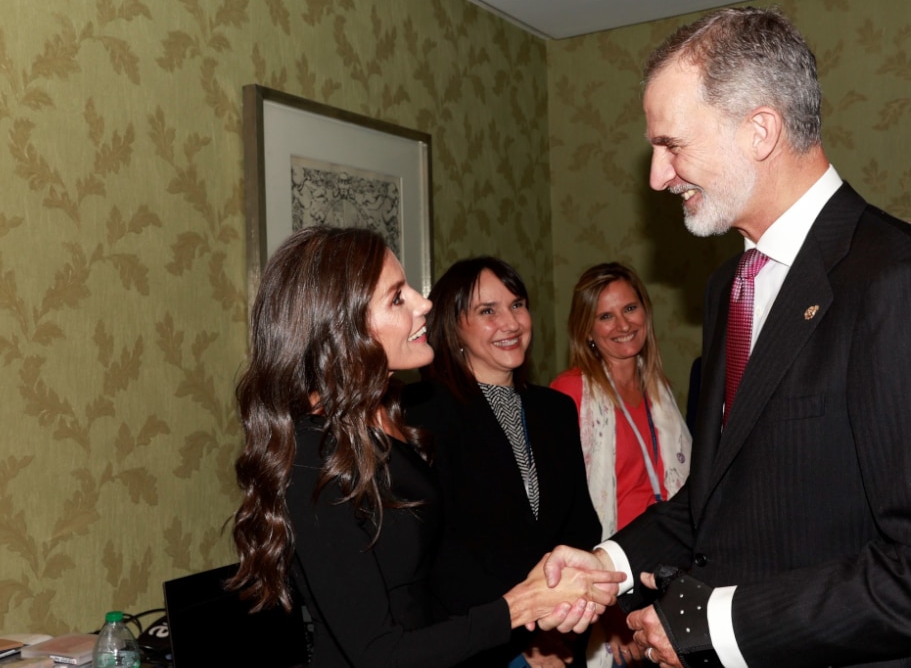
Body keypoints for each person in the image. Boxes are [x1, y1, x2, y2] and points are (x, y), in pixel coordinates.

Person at [542, 7, 911, 668]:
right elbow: (723, 494)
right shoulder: (728, 289)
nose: (657, 177)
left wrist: (716, 620)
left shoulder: (900, 283)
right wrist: (609, 562)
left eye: (672, 145)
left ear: (760, 131)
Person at [228, 228, 620, 668]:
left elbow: (420, 594)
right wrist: (517, 610)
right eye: (398, 298)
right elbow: (378, 652)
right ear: (343, 326)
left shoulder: (384, 420)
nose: (425, 303)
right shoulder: (312, 456)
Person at [403, 256, 604, 667]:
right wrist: (519, 636)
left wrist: (555, 625)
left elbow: (580, 525)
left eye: (517, 305)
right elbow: (440, 555)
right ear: (454, 325)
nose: (510, 324)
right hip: (474, 640)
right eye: (487, 311)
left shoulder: (556, 409)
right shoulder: (425, 414)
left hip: (561, 633)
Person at [550, 263, 692, 667]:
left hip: (667, 572)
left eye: (630, 309)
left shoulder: (658, 389)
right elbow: (564, 517)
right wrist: (611, 615)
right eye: (605, 316)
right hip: (612, 582)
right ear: (587, 331)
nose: (622, 324)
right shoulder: (570, 392)